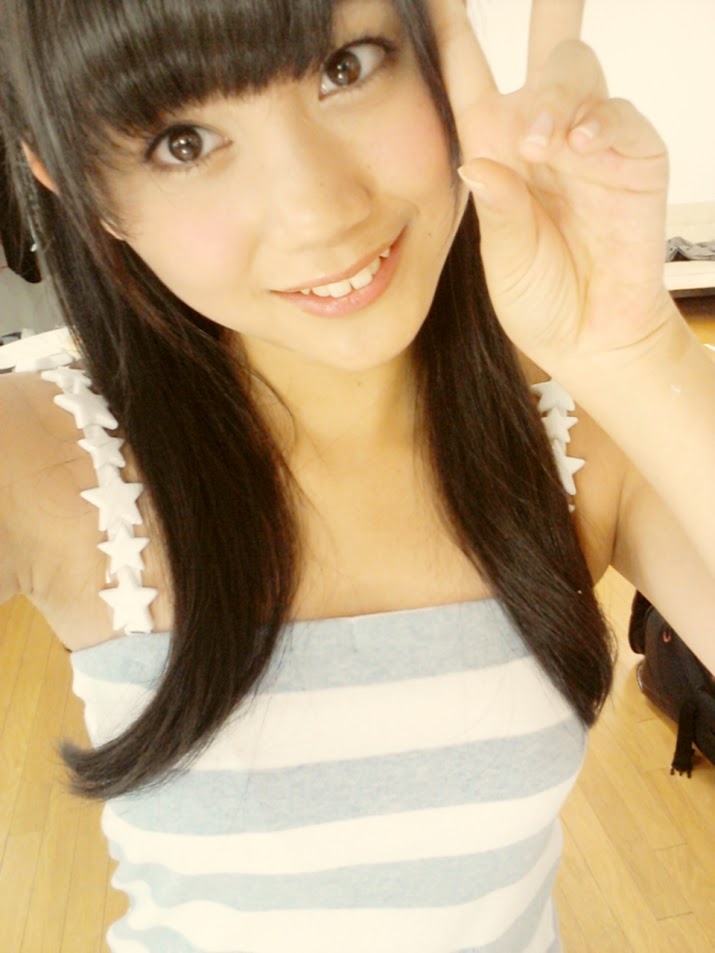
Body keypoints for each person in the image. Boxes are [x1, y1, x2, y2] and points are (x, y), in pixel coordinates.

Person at [0, 0, 713, 950]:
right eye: (183, 142)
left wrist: (629, 347)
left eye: (346, 67)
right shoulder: (44, 461)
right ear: (76, 181)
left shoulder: (585, 428)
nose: (319, 211)